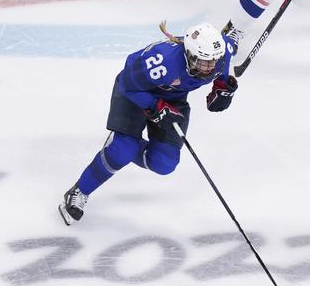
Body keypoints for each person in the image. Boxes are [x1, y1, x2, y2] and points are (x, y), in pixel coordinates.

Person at [59, 22, 238, 225]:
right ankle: (80, 190)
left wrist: (223, 90)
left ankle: (128, 145)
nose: (209, 68)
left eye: (213, 62)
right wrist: (156, 107)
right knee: (122, 150)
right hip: (136, 92)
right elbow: (128, 84)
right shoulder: (163, 61)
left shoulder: (220, 55)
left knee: (164, 163)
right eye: (203, 62)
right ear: (188, 54)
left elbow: (230, 47)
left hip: (172, 98)